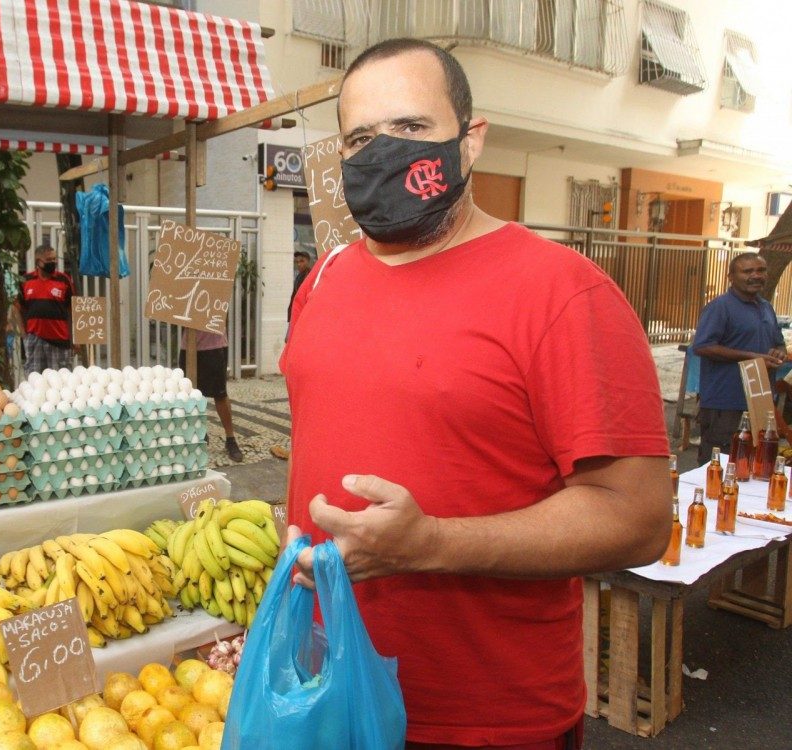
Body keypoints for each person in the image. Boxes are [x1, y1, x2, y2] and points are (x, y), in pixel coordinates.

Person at [280, 39, 670, 748]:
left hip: (486, 720)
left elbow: (639, 519)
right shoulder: (324, 280)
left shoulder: (563, 294)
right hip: (326, 693)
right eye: (360, 138)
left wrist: (430, 544)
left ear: (471, 140)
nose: (382, 152)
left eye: (410, 128)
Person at [691, 253, 786, 464]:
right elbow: (703, 346)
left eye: (760, 270)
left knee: (752, 466)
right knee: (720, 465)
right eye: (747, 271)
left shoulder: (766, 307)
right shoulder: (720, 307)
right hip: (725, 403)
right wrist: (752, 357)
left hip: (758, 402)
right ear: (730, 277)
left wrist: (779, 350)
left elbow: (778, 342)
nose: (755, 275)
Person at [271, 250, 312, 461]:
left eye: (302, 260)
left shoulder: (312, 274)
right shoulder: (300, 276)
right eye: (297, 261)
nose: (299, 263)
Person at [181, 330, 244, 463]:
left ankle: (230, 439)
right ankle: (199, 433)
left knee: (220, 394)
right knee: (190, 394)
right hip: (188, 346)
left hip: (214, 346)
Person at [14, 244, 75, 373]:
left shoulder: (64, 280)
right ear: (38, 262)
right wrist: (24, 335)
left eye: (54, 259)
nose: (53, 262)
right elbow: (17, 309)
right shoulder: (25, 280)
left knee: (61, 383)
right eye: (48, 260)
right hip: (35, 340)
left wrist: (74, 338)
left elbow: (72, 310)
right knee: (35, 381)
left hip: (59, 341)